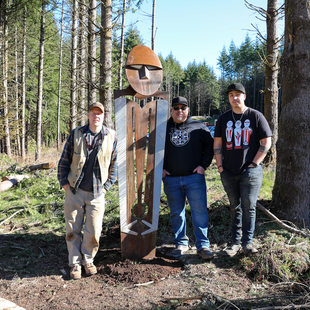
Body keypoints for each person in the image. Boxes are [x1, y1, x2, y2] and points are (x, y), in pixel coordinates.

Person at [57, 102, 117, 279]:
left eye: (99, 114)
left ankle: (88, 260)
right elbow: (64, 160)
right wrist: (64, 184)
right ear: (88, 115)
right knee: (72, 229)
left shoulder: (111, 136)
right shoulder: (77, 134)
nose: (96, 116)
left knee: (94, 230)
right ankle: (74, 264)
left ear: (104, 116)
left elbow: (115, 166)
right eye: (93, 113)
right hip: (75, 190)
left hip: (97, 193)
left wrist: (106, 187)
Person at [213, 83, 272, 257]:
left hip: (251, 172)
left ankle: (247, 243)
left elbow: (266, 142)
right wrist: (220, 166)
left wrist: (254, 163)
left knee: (249, 206)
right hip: (228, 171)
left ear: (244, 96)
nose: (234, 97)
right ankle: (235, 243)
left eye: (238, 94)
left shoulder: (255, 116)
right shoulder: (223, 119)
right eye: (231, 95)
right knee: (234, 207)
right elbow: (217, 144)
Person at [162, 96, 214, 260]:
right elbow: (153, 150)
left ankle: (203, 245)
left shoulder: (199, 126)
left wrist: (203, 166)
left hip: (194, 178)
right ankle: (181, 244)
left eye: (183, 108)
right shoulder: (163, 128)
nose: (179, 111)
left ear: (188, 110)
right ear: (171, 110)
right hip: (171, 179)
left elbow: (210, 147)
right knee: (176, 213)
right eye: (176, 108)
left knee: (199, 212)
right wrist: (160, 169)